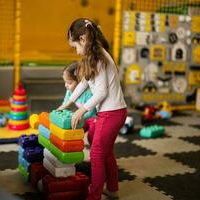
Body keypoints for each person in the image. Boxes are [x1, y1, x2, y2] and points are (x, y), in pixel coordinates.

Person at [58, 18, 127, 200]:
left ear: (82, 39)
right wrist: (67, 103)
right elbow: (84, 83)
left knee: (96, 152)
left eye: (75, 46)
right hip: (114, 112)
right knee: (106, 153)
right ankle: (112, 189)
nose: (76, 51)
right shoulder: (93, 56)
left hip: (111, 113)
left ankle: (94, 196)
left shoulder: (99, 57)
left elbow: (102, 92)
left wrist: (82, 110)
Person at [61, 61, 96, 139]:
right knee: (74, 132)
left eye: (69, 83)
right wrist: (59, 111)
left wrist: (78, 116)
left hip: (94, 118)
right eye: (65, 82)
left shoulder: (88, 93)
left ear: (79, 82)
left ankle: (93, 148)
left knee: (91, 137)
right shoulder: (69, 91)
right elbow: (65, 104)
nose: (66, 85)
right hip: (83, 116)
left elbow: (92, 112)